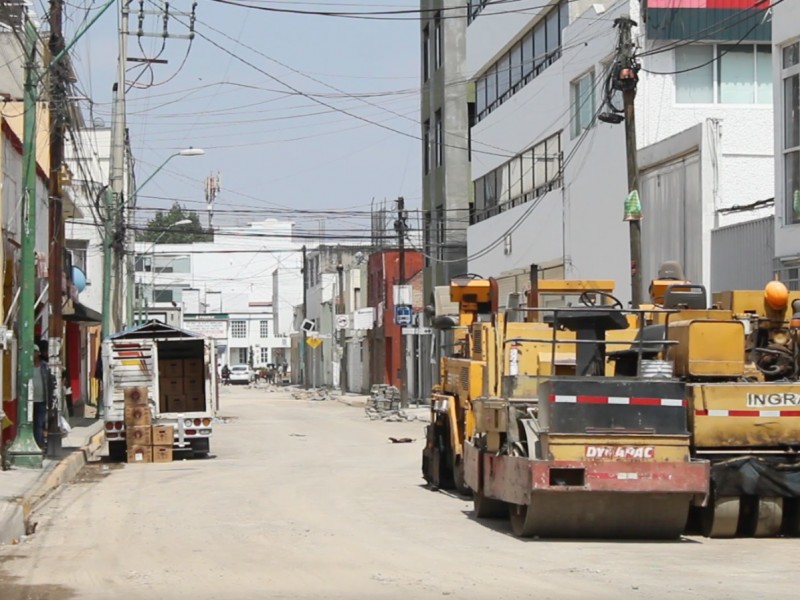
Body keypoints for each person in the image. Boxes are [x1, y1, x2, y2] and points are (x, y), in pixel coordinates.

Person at [32, 345, 53, 450]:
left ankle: (39, 445)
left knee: (39, 424)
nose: (33, 354)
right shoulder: (25, 367)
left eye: (35, 352)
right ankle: (37, 444)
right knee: (30, 424)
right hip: (29, 401)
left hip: (42, 401)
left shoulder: (45, 366)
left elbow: (50, 383)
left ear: (38, 353)